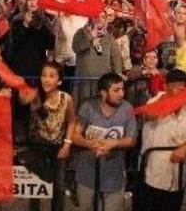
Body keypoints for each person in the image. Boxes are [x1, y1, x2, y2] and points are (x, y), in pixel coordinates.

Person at [138, 69, 186, 211]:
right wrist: (168, 99)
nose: (177, 91)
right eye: (173, 86)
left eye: (181, 87)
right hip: (154, 170)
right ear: (166, 86)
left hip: (179, 170)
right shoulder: (155, 100)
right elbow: (150, 115)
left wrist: (185, 147)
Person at [71, 72, 137, 211]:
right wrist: (91, 144)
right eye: (116, 90)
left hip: (115, 174)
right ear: (103, 93)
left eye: (122, 89)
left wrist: (114, 143)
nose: (121, 94)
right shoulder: (88, 107)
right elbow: (75, 135)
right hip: (87, 173)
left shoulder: (127, 108)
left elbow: (132, 140)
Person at [19, 61, 75, 211]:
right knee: (35, 188)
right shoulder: (35, 94)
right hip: (36, 148)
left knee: (59, 187)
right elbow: (23, 100)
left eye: (51, 76)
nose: (46, 79)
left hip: (58, 148)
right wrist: (21, 92)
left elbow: (72, 122)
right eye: (44, 75)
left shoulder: (66, 98)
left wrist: (67, 143)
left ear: (60, 80)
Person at [72, 13, 123, 103]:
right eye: (96, 16)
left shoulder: (110, 38)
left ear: (106, 20)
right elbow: (76, 48)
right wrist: (90, 36)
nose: (99, 19)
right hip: (84, 83)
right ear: (91, 18)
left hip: (103, 84)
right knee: (83, 110)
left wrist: (118, 76)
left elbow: (116, 59)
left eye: (103, 17)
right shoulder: (81, 32)